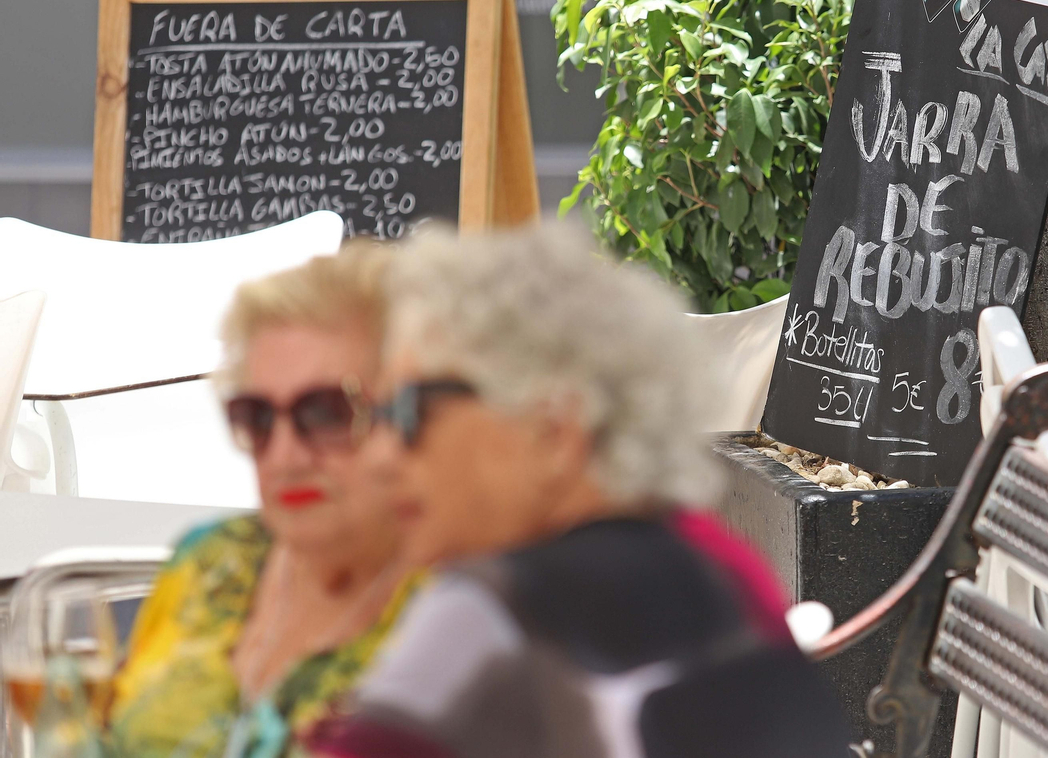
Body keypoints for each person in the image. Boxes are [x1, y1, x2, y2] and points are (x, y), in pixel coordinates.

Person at [309, 222, 851, 758]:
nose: (377, 454)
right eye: (371, 414)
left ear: (552, 428)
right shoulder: (719, 562)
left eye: (410, 411)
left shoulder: (489, 608)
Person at [108, 243, 421, 758]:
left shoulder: (455, 608)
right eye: (256, 416)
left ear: (408, 412)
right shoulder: (209, 561)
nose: (285, 455)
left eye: (323, 413)